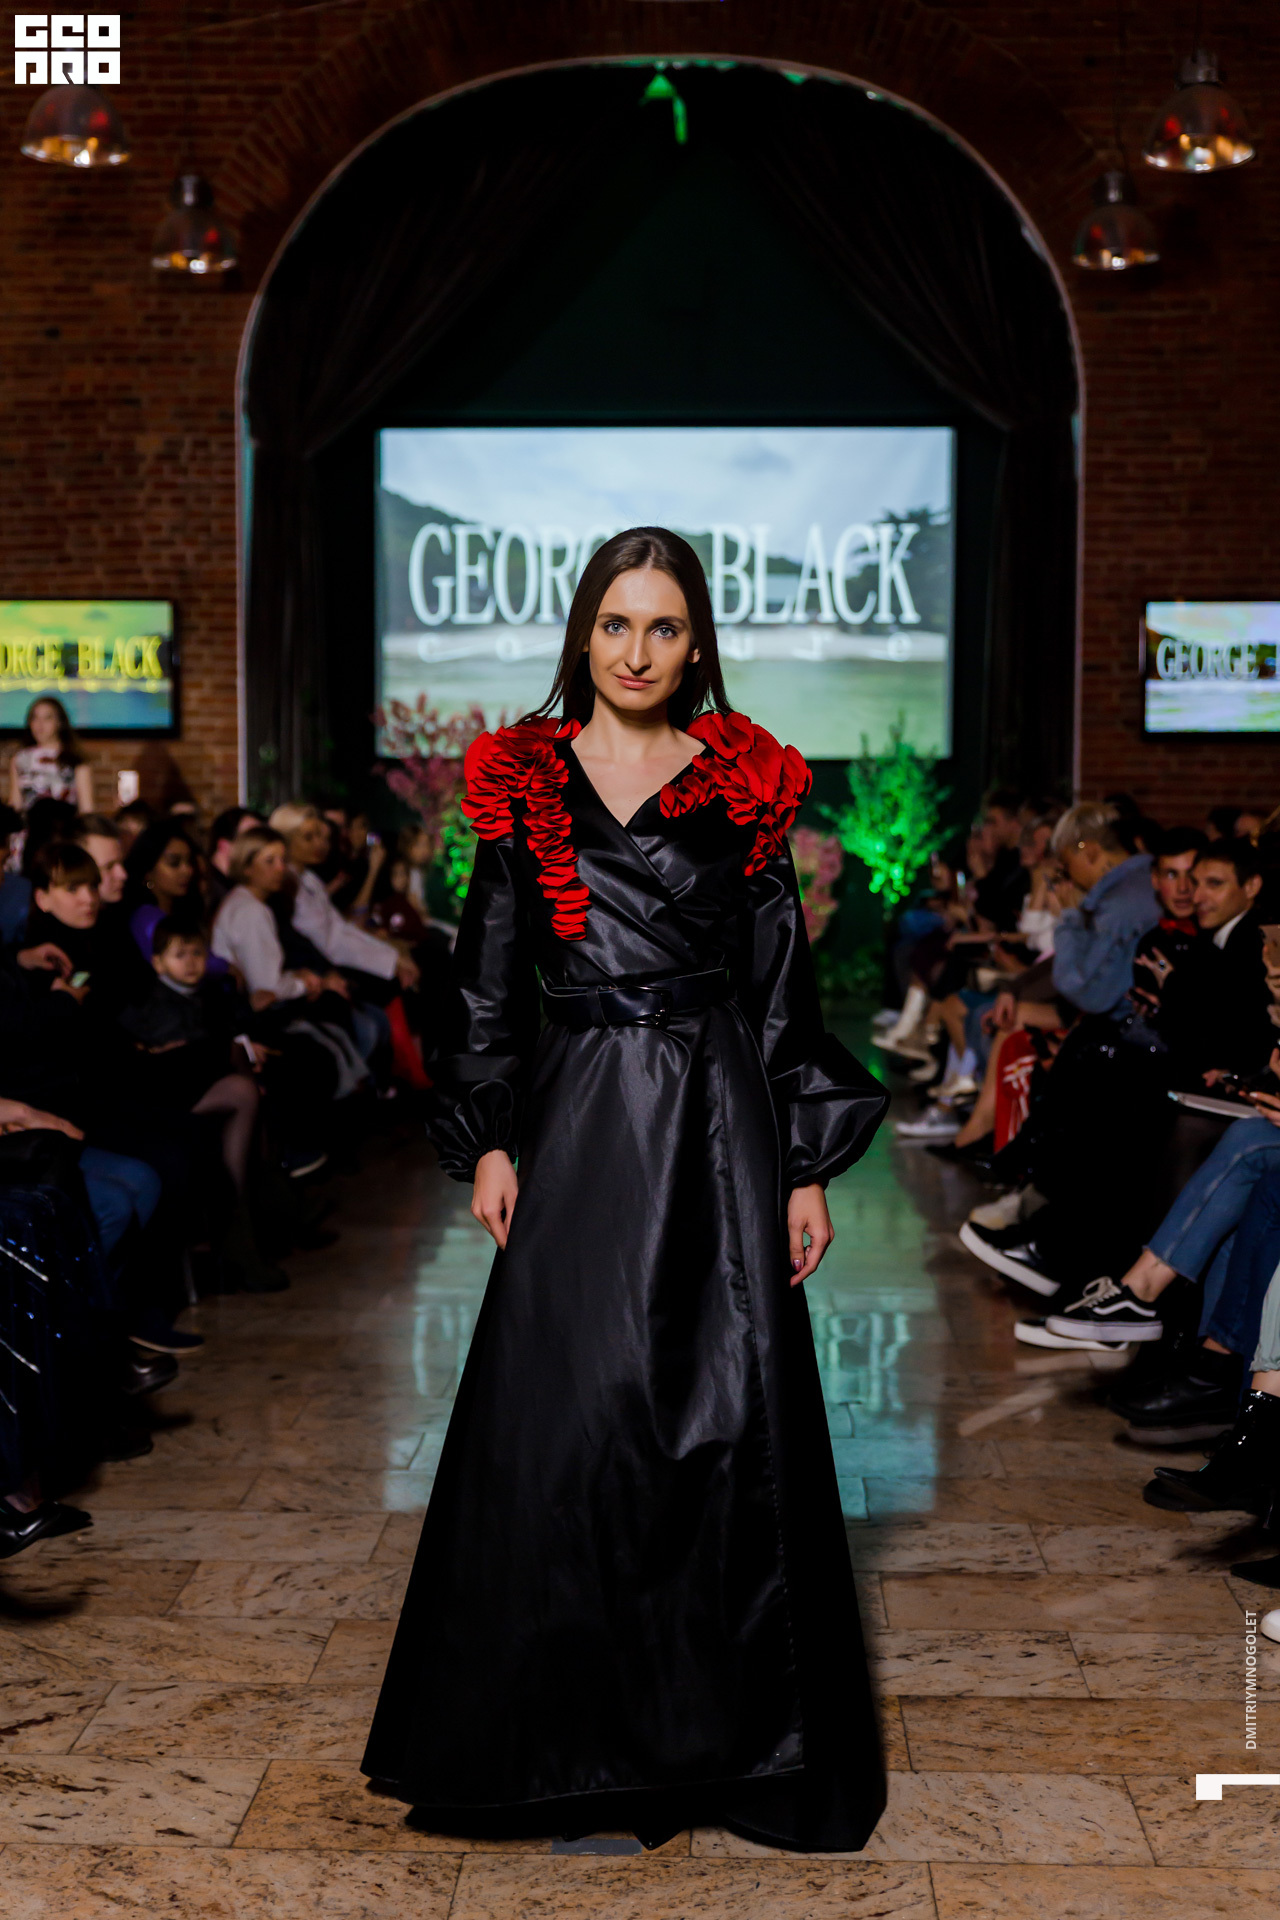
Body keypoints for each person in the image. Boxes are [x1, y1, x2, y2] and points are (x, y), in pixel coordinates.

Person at [361, 526, 889, 1852]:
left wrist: (805, 1162)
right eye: (614, 623)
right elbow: (488, 972)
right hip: (582, 1110)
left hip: (717, 1111)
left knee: (716, 1420)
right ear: (582, 633)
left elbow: (779, 980)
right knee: (575, 1417)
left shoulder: (742, 777)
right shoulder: (522, 777)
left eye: (662, 626)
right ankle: (575, 1751)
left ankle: (710, 1745)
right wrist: (490, 1136)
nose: (636, 651)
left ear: (696, 642)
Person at [8, 697, 93, 814]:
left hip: (64, 824)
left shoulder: (74, 759)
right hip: (29, 824)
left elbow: (87, 809)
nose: (40, 724)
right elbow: (16, 803)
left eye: (47, 718)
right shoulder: (20, 759)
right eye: (35, 718)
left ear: (59, 722)